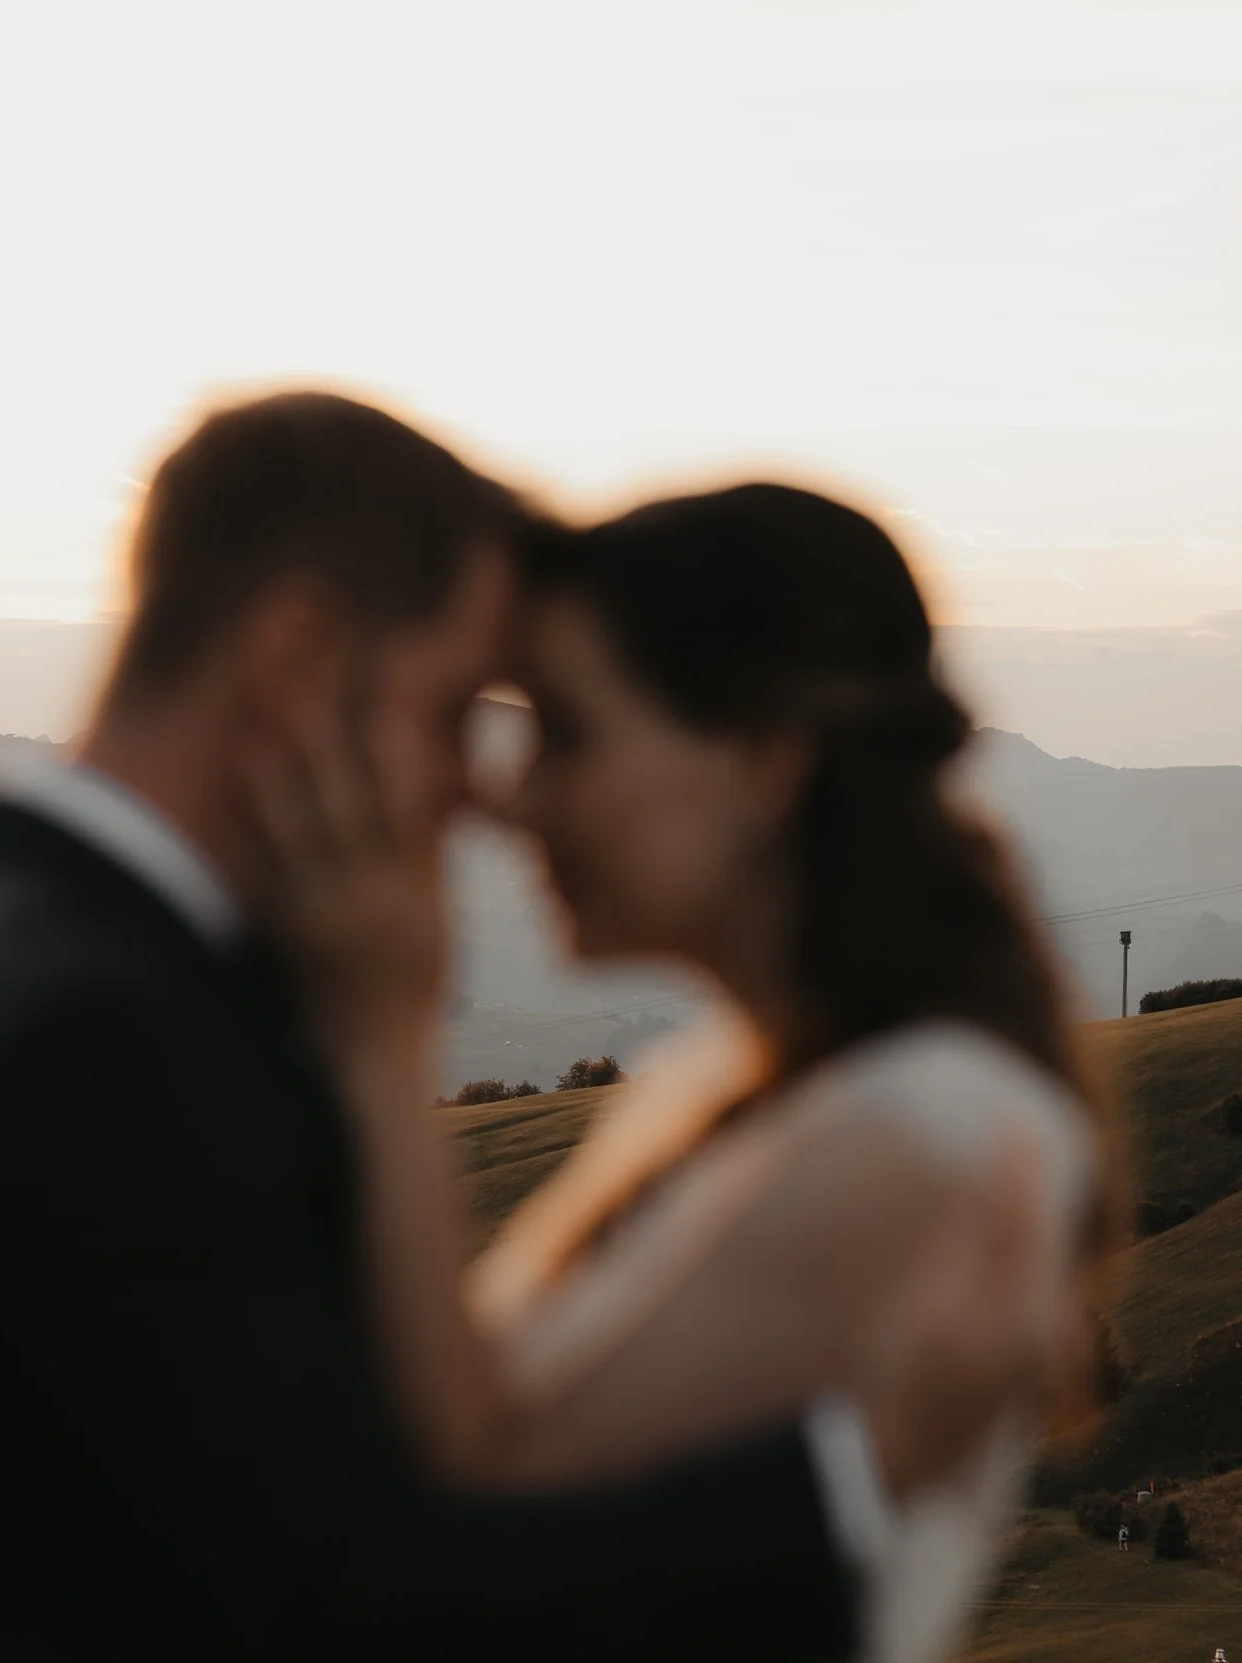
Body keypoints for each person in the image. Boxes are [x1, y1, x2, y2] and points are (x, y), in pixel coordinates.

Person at [0, 394, 1056, 1661]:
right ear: (298, 661)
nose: (475, 788)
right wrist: (855, 1471)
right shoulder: (95, 1027)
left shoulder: (9, 946)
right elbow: (364, 1603)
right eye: (454, 714)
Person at [357, 484, 1109, 1663]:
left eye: (563, 729)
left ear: (761, 758)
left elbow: (462, 1527)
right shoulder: (712, 1090)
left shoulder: (916, 1128)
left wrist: (375, 1022)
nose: (508, 795)